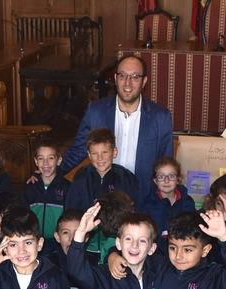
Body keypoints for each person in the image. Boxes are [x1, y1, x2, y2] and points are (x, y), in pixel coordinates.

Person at [60, 53, 175, 200]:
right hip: (103, 196)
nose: (127, 83)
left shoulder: (160, 117)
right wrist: (50, 171)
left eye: (134, 77)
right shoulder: (96, 111)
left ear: (144, 81)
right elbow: (78, 151)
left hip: (143, 198)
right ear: (115, 79)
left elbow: (165, 164)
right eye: (123, 76)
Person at [63, 128, 141, 213]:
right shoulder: (81, 178)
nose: (100, 158)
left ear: (114, 152)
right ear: (89, 154)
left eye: (104, 152)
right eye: (94, 153)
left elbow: (135, 212)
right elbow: (71, 212)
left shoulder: (126, 178)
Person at [22, 143, 71, 253]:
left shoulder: (67, 188)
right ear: (35, 161)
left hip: (58, 243)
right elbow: (23, 214)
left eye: (50, 158)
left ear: (59, 160)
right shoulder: (30, 187)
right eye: (41, 158)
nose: (45, 163)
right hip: (35, 241)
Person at [137, 156, 195, 243]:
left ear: (178, 179)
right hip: (155, 253)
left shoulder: (187, 202)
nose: (166, 181)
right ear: (155, 180)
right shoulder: (146, 204)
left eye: (171, 176)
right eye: (161, 176)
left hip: (181, 250)